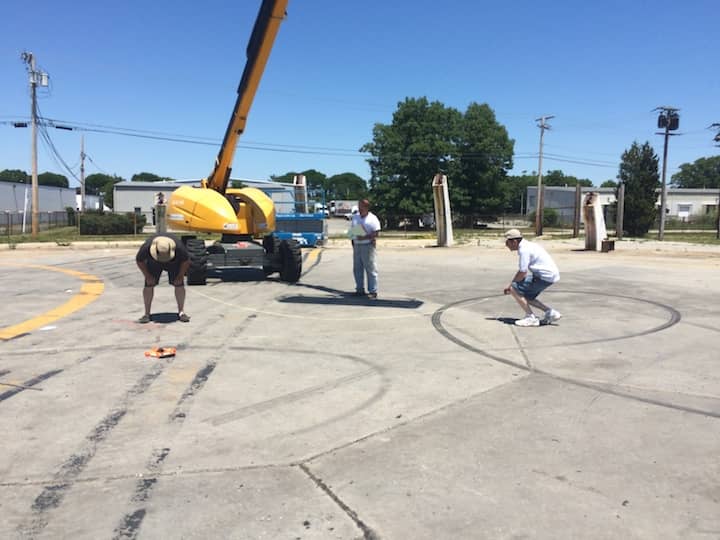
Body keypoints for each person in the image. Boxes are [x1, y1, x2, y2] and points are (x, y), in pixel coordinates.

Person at [503, 229, 562, 327]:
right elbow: (523, 273)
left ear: (514, 241)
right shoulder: (529, 245)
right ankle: (551, 312)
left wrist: (510, 286)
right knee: (526, 296)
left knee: (513, 289)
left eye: (507, 242)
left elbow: (522, 272)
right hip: (549, 275)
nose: (506, 245)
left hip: (544, 276)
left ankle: (530, 317)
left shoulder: (524, 250)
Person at [136, 234, 191, 323]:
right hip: (154, 262)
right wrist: (147, 275)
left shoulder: (179, 247)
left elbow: (186, 261)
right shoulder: (146, 247)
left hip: (174, 262)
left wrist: (180, 275)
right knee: (149, 284)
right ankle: (146, 314)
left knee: (179, 284)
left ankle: (181, 312)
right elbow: (139, 260)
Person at [350, 199, 381, 298]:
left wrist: (365, 237)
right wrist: (353, 242)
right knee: (357, 269)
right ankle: (359, 289)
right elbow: (352, 231)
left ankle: (373, 291)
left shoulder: (372, 218)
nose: (359, 208)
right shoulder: (355, 217)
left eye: (361, 206)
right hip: (357, 245)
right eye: (359, 206)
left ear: (366, 207)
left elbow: (376, 233)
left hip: (367, 245)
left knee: (370, 268)